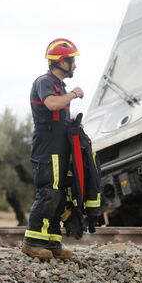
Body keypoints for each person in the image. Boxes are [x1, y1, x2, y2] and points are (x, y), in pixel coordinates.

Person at [22, 38, 84, 260]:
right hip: (47, 146)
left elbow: (60, 114)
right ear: (60, 62)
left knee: (60, 194)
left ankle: (53, 242)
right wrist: (75, 94)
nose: (75, 65)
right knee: (48, 192)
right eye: (71, 61)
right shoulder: (44, 82)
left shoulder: (60, 87)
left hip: (59, 146)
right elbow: (52, 105)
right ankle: (32, 242)